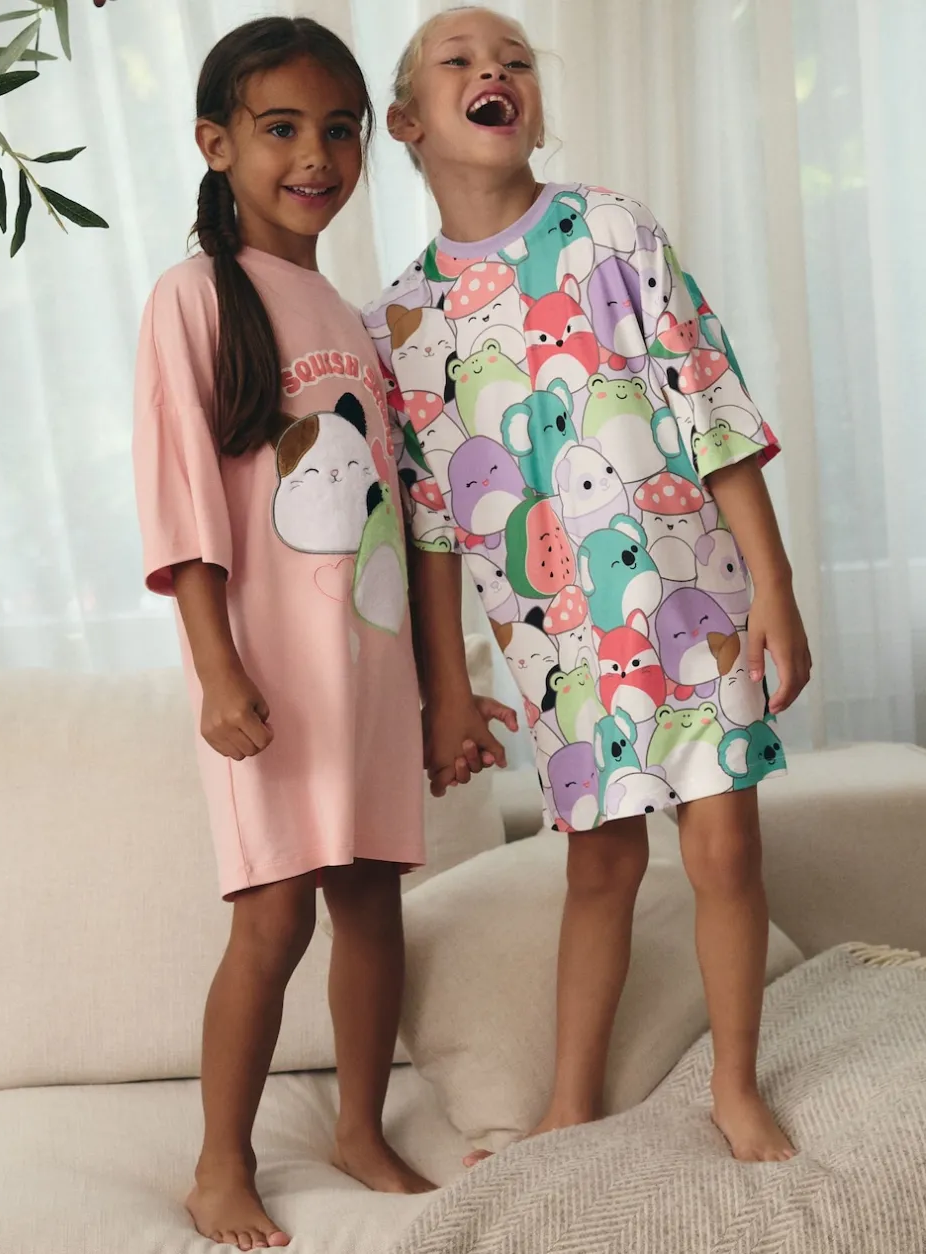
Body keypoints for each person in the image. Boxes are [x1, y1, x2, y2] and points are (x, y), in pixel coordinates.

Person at [365, 4, 812, 1167]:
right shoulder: (400, 322)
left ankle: (733, 1086)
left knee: (724, 852)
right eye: (461, 60)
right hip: (558, 642)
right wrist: (446, 693)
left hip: (694, 601)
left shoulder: (611, 230)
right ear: (407, 123)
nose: (495, 71)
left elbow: (712, 409)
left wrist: (774, 587)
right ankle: (570, 1107)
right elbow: (430, 531)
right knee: (601, 865)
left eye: (514, 59)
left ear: (532, 104)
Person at [133, 17, 512, 1250]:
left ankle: (358, 1130)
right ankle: (219, 1166)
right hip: (267, 676)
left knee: (370, 902)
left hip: (368, 665)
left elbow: (404, 517)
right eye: (282, 128)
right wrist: (217, 670)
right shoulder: (194, 297)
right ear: (217, 142)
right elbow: (185, 500)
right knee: (275, 916)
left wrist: (441, 693)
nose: (316, 156)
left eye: (339, 130)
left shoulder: (356, 316)